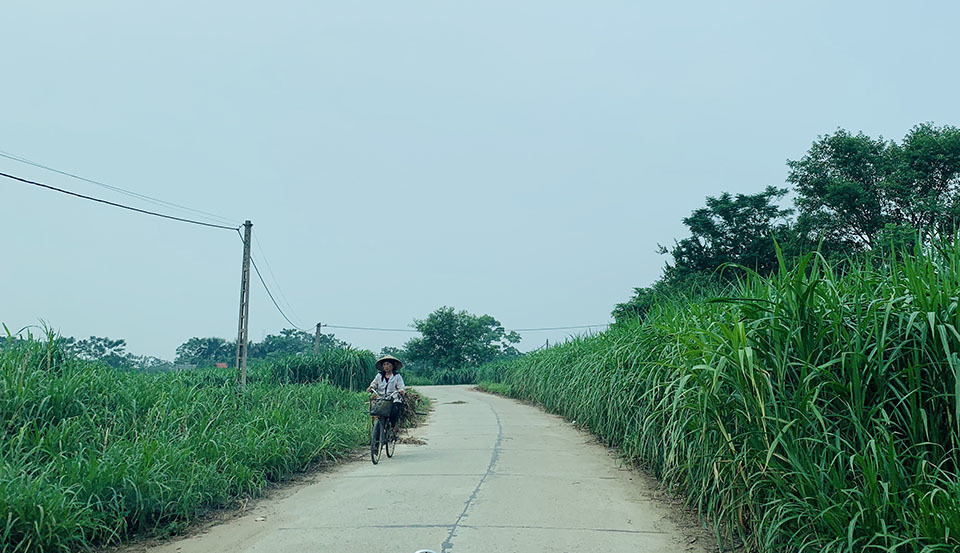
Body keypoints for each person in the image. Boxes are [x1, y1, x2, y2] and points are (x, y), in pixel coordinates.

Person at [367, 355, 406, 430]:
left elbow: (401, 386)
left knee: (394, 411)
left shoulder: (397, 376)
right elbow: (374, 383)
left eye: (388, 364)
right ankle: (377, 431)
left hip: (393, 398)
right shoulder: (379, 375)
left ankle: (393, 426)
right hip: (381, 398)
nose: (386, 366)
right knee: (375, 411)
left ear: (392, 365)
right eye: (384, 364)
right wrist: (371, 387)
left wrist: (401, 390)